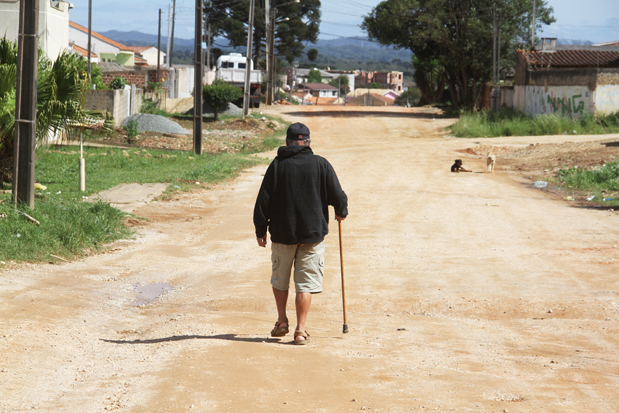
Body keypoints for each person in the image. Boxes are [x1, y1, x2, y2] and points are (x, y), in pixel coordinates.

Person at [253, 122, 348, 345]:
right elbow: (338, 195)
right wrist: (341, 211)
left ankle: (282, 321)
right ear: (308, 142)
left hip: (282, 234)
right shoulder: (321, 164)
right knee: (305, 285)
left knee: (280, 279)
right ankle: (300, 331)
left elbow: (263, 200)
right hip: (312, 235)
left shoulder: (277, 165)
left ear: (286, 142)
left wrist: (260, 229)